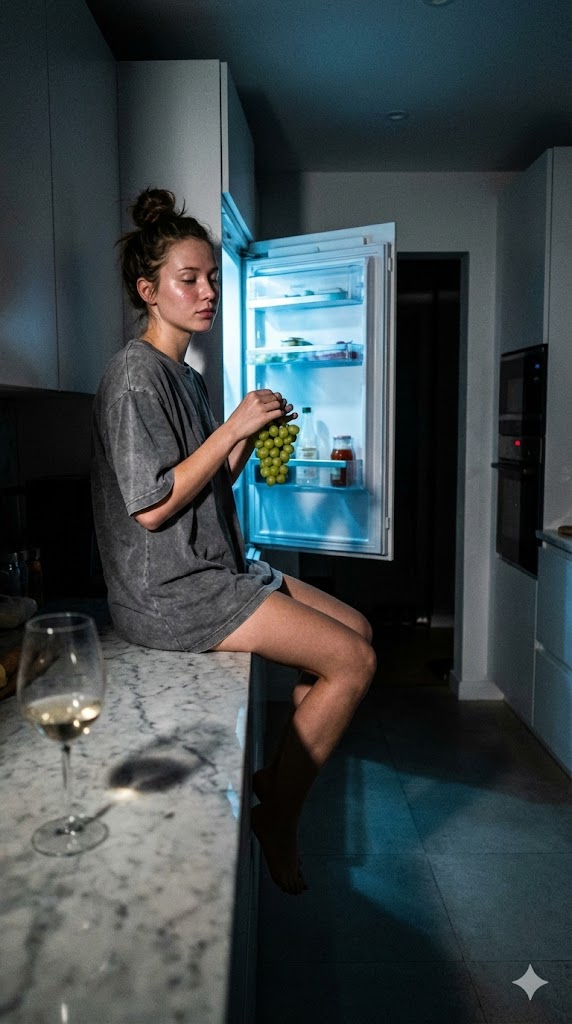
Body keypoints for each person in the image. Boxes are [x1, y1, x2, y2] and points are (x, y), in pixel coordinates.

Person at [91, 188, 377, 894]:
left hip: (217, 568)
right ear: (148, 290)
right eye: (189, 279)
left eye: (212, 277)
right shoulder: (135, 377)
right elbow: (152, 506)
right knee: (351, 663)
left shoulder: (184, 376)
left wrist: (248, 435)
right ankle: (277, 815)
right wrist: (230, 426)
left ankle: (275, 780)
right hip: (171, 593)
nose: (208, 291)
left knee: (359, 629)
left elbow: (208, 480)